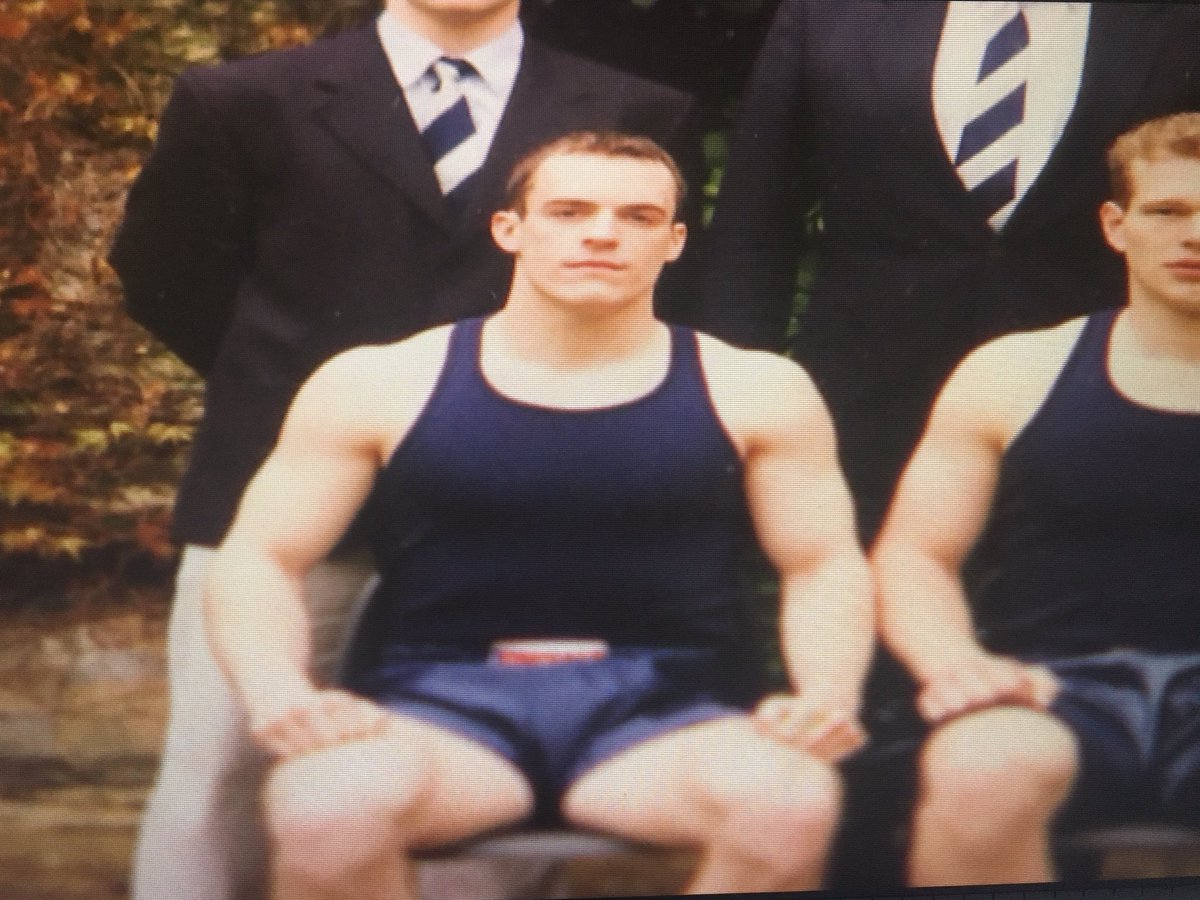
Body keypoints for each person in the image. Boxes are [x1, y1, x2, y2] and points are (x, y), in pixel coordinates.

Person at [108, 2, 704, 897]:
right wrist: (313, 394)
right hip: (285, 500)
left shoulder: (632, 107)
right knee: (224, 772)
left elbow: (650, 293)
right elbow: (164, 275)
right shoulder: (243, 100)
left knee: (500, 800)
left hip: (523, 509)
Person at [205, 129, 874, 898]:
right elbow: (262, 556)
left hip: (672, 714)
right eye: (569, 211)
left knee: (788, 804)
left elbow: (821, 562)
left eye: (638, 217)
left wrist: (826, 694)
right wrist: (279, 692)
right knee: (326, 810)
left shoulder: (755, 389)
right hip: (438, 706)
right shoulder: (380, 382)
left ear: (675, 241)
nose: (603, 234)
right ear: (509, 229)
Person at [703, 0, 1200, 544]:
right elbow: (756, 218)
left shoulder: (1176, 24)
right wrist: (729, 403)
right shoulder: (833, 14)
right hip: (867, 406)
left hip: (1094, 402)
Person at [873, 112, 1200, 887]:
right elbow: (913, 555)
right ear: (1116, 226)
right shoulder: (1016, 372)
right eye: (1167, 210)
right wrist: (954, 663)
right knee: (982, 772)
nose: (1194, 236)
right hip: (1053, 688)